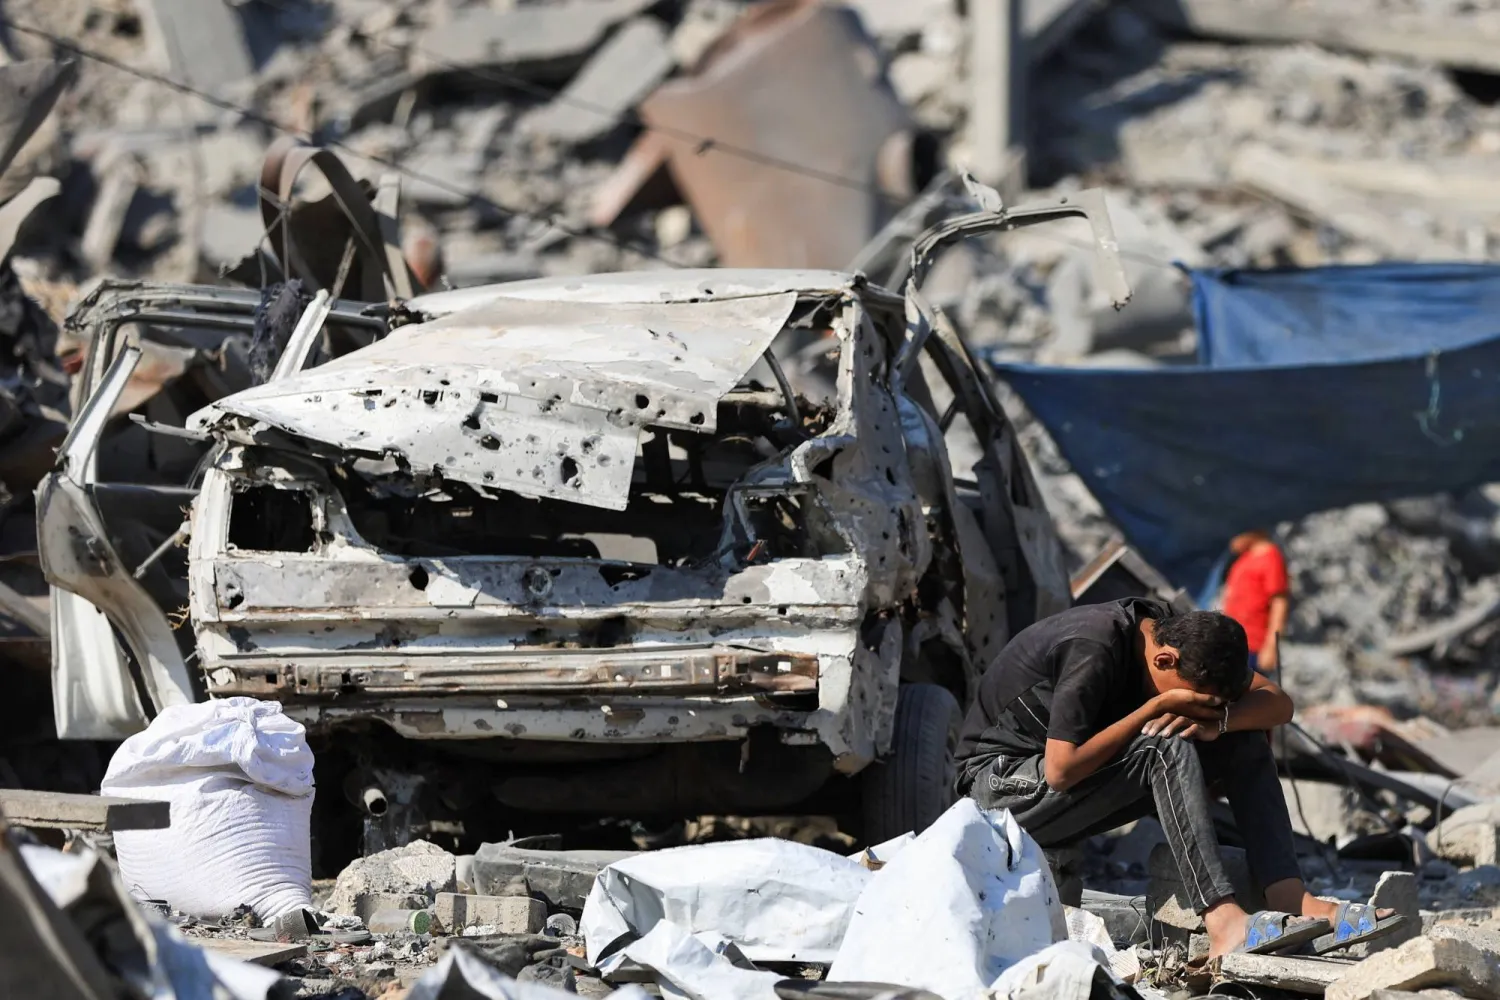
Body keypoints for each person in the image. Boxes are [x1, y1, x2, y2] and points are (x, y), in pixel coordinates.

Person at [954, 597, 1399, 960]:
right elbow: (1061, 769)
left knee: (1243, 741)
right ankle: (1224, 921)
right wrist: (1152, 709)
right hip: (1001, 790)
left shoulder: (1179, 634)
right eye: (1188, 696)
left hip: (1065, 787)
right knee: (1162, 745)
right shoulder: (1092, 647)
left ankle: (1287, 895)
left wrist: (1218, 723)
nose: (1186, 706)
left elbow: (1278, 704)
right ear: (1165, 659)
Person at [1222, 530, 1289, 674]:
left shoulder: (1271, 557)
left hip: (1254, 645)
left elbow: (1279, 603)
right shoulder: (1244, 558)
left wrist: (1271, 647)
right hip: (1233, 639)